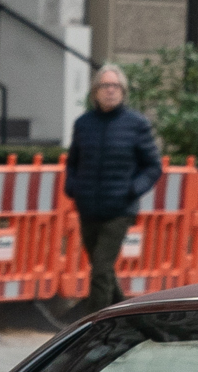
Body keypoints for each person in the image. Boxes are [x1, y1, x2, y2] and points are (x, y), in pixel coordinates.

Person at [64, 65, 164, 314]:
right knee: (104, 269)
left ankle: (94, 326)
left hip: (119, 209)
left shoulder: (136, 124)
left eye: (115, 86)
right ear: (95, 92)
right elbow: (73, 161)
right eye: (105, 86)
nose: (110, 91)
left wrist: (132, 189)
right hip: (88, 207)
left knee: (100, 269)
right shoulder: (83, 124)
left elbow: (153, 166)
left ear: (123, 91)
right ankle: (129, 317)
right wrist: (72, 187)